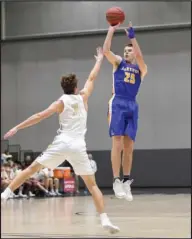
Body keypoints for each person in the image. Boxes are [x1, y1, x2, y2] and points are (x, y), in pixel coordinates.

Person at [1, 47, 119, 234]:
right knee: (93, 185)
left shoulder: (60, 102)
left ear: (63, 87)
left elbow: (39, 116)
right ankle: (104, 219)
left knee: (31, 169)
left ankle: (6, 193)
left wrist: (17, 127)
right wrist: (99, 60)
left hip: (62, 143)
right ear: (76, 87)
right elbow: (92, 78)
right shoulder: (83, 97)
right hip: (78, 146)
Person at [103, 22, 147, 201]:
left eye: (130, 51)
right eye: (125, 50)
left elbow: (141, 58)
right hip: (118, 103)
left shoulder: (141, 69)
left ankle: (126, 180)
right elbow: (106, 50)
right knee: (118, 141)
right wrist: (111, 30)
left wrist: (133, 39)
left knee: (129, 147)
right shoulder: (118, 63)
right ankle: (116, 180)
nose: (127, 52)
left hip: (132, 105)